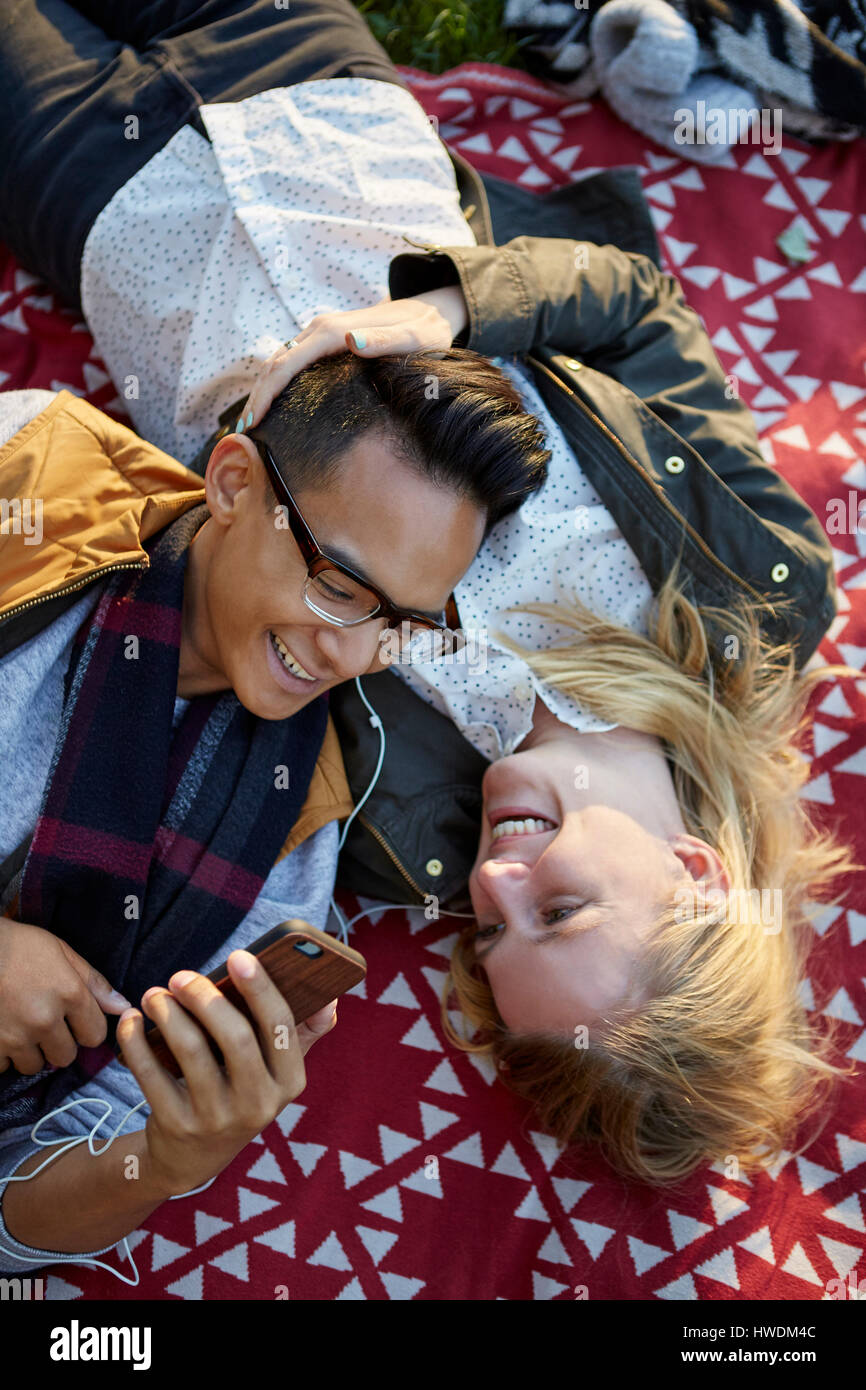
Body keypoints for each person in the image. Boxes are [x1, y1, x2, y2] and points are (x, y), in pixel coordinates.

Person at [0, 0, 848, 1276]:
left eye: (495, 937)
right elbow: (629, 303)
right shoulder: (763, 595)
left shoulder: (387, 832)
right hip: (328, 111)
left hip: (126, 218)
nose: (496, 888)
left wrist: (153, 1142)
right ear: (695, 875)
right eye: (558, 908)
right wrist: (444, 311)